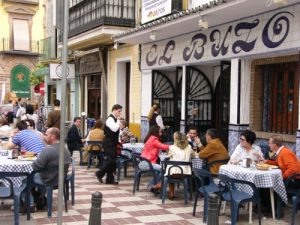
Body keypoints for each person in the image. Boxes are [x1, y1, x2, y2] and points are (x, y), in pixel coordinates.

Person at [31, 127, 72, 209]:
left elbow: (35, 166)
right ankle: (41, 198)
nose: (44, 136)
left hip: (48, 179)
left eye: (46, 135)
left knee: (26, 179)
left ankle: (30, 203)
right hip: (61, 179)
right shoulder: (65, 149)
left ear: (52, 137)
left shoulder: (47, 150)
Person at [95, 104, 122, 184]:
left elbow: (117, 130)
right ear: (114, 110)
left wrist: (118, 120)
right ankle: (99, 173)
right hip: (108, 143)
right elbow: (114, 129)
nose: (120, 113)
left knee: (113, 162)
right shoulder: (110, 119)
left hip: (112, 143)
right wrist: (119, 121)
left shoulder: (115, 119)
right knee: (110, 160)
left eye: (120, 111)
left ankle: (110, 180)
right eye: (119, 111)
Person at [166, 131, 196, 199]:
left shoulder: (171, 147)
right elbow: (194, 156)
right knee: (173, 169)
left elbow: (168, 157)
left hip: (173, 173)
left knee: (170, 170)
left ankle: (171, 193)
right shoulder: (189, 147)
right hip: (185, 173)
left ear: (176, 139)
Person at [140, 125, 170, 191]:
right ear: (156, 132)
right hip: (148, 163)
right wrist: (174, 146)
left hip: (145, 161)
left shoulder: (150, 138)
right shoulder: (154, 139)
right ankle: (151, 186)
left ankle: (153, 186)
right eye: (160, 132)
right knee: (164, 170)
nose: (161, 134)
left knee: (158, 172)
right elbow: (163, 146)